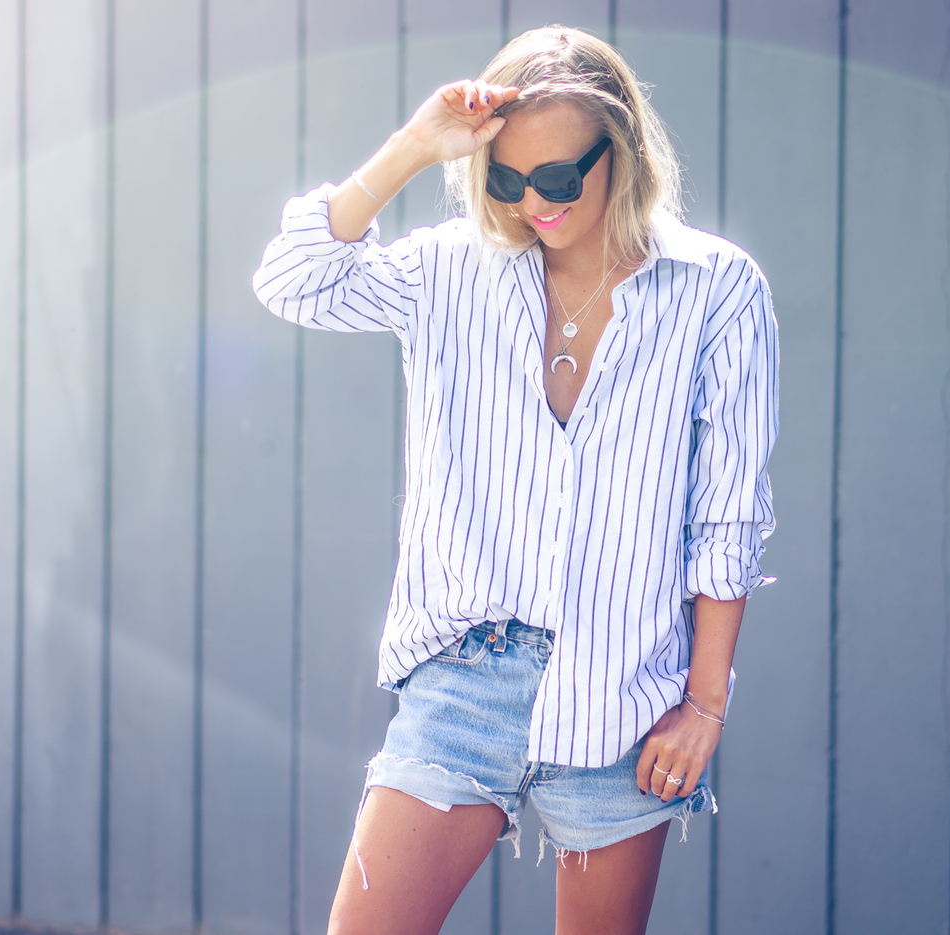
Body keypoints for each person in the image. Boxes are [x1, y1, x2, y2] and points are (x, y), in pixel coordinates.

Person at [253, 25, 777, 935]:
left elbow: (726, 516)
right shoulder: (448, 269)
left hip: (624, 691)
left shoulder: (717, 289)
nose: (534, 202)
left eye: (561, 178)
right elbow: (294, 280)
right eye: (506, 179)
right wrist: (415, 145)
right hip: (464, 676)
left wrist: (704, 703)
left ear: (620, 154)